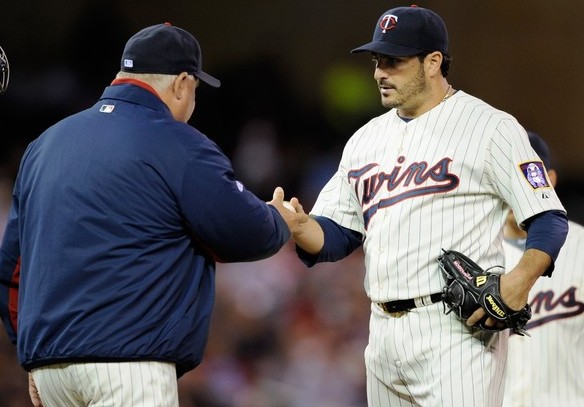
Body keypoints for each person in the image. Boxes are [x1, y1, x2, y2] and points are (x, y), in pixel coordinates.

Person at [0, 23, 305, 407]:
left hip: (50, 371)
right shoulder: (178, 143)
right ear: (181, 83)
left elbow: (11, 267)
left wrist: (33, 355)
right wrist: (279, 219)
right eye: (194, 89)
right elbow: (243, 232)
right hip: (130, 367)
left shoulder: (44, 145)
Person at [279, 5, 569, 407]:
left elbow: (549, 218)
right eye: (378, 60)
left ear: (433, 62)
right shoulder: (364, 139)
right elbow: (337, 236)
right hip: (381, 333)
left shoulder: (491, 127)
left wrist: (519, 282)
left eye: (394, 61)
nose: (380, 71)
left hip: (454, 329)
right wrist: (298, 227)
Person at [503, 132, 584, 406]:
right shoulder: (471, 252)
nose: (518, 190)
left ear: (550, 181)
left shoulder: (581, 246)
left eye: (528, 178)